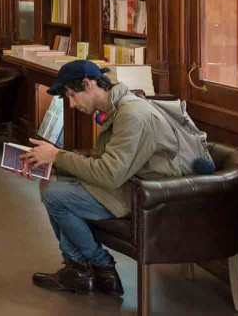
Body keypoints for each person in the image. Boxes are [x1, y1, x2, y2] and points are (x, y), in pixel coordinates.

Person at [21, 60, 184, 297]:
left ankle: (100, 266)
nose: (72, 104)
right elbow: (101, 163)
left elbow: (109, 173)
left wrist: (56, 155)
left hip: (147, 196)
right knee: (50, 183)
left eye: (71, 96)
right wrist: (48, 165)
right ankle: (78, 269)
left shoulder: (131, 115)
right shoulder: (115, 109)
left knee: (54, 195)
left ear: (87, 85)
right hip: (129, 184)